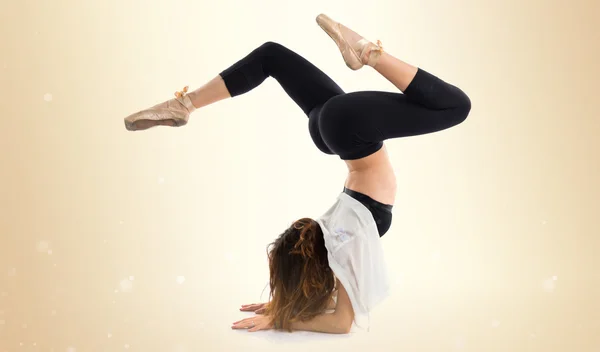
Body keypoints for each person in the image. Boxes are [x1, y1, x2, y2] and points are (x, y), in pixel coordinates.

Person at [124, 14, 471, 334]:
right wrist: (283, 304)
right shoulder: (338, 241)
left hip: (349, 130)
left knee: (456, 106)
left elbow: (340, 323)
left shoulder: (343, 245)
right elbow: (336, 311)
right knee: (271, 56)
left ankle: (367, 53)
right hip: (332, 129)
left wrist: (281, 314)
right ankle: (185, 104)